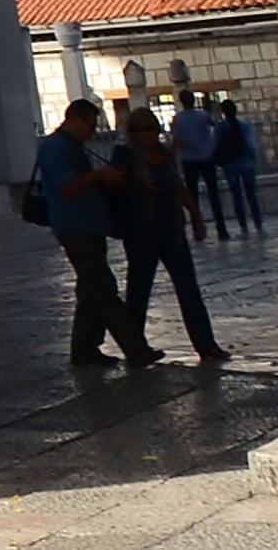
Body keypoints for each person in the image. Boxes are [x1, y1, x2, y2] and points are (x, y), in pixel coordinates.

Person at [37, 98, 156, 368]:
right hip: (74, 226)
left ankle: (84, 350)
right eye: (90, 125)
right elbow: (66, 188)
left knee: (90, 291)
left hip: (89, 225)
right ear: (75, 119)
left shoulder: (73, 147)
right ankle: (136, 349)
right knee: (104, 290)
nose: (93, 132)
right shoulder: (55, 149)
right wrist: (100, 177)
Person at [117, 104, 230, 362]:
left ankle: (206, 345)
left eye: (149, 129)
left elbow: (178, 185)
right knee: (139, 290)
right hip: (140, 231)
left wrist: (196, 215)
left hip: (171, 228)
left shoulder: (165, 154)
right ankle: (135, 347)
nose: (144, 134)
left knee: (188, 288)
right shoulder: (124, 155)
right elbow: (114, 186)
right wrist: (136, 188)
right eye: (138, 130)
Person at [172, 96, 232, 239]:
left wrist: (173, 157)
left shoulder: (178, 119)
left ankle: (197, 228)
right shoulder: (203, 115)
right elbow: (215, 127)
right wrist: (212, 145)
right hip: (206, 157)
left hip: (189, 159)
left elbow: (176, 139)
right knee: (214, 193)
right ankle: (221, 228)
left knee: (192, 196)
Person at [216, 101, 268, 234]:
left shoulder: (221, 127)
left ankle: (243, 227)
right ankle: (258, 224)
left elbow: (215, 145)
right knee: (252, 195)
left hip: (230, 165)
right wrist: (253, 159)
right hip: (246, 164)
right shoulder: (244, 125)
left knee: (237, 196)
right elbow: (250, 145)